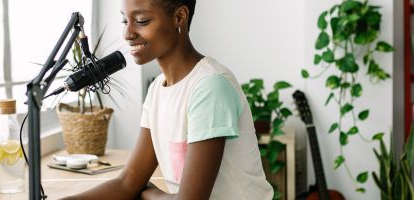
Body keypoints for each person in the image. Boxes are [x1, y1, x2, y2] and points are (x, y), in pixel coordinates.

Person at [62, 0, 273, 199]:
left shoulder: (210, 86)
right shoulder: (157, 90)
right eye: (125, 21)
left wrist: (146, 193)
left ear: (179, 17)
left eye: (142, 21)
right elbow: (128, 182)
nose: (127, 34)